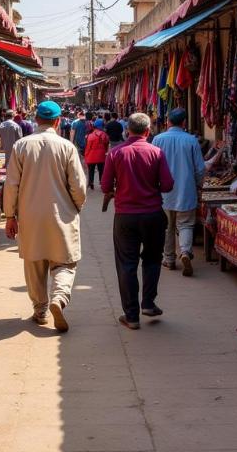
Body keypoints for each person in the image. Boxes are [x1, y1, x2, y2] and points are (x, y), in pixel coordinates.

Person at [3, 100, 87, 332]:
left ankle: (40, 310)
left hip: (30, 216)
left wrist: (10, 215)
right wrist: (77, 207)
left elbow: (11, 184)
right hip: (62, 215)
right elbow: (78, 186)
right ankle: (58, 298)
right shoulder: (67, 147)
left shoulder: (21, 146)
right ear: (58, 121)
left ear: (36, 120)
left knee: (34, 263)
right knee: (65, 262)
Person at [101, 112, 174, 330]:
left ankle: (131, 315)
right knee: (152, 259)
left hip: (125, 217)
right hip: (153, 214)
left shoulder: (115, 153)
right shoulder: (156, 152)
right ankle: (149, 303)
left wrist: (120, 188)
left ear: (127, 130)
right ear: (148, 131)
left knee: (127, 264)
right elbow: (168, 185)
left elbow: (105, 186)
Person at [152, 108, 206, 277]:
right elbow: (200, 169)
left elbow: (152, 166)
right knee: (186, 224)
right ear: (184, 123)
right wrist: (198, 185)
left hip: (163, 193)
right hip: (186, 190)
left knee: (166, 227)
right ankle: (185, 252)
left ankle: (168, 259)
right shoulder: (191, 140)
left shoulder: (157, 140)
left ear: (167, 122)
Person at [84, 118, 109, 189]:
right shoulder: (104, 134)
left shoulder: (89, 136)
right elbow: (107, 143)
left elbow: (87, 147)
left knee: (91, 170)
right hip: (101, 156)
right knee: (101, 170)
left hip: (91, 156)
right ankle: (101, 183)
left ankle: (91, 182)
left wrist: (86, 156)